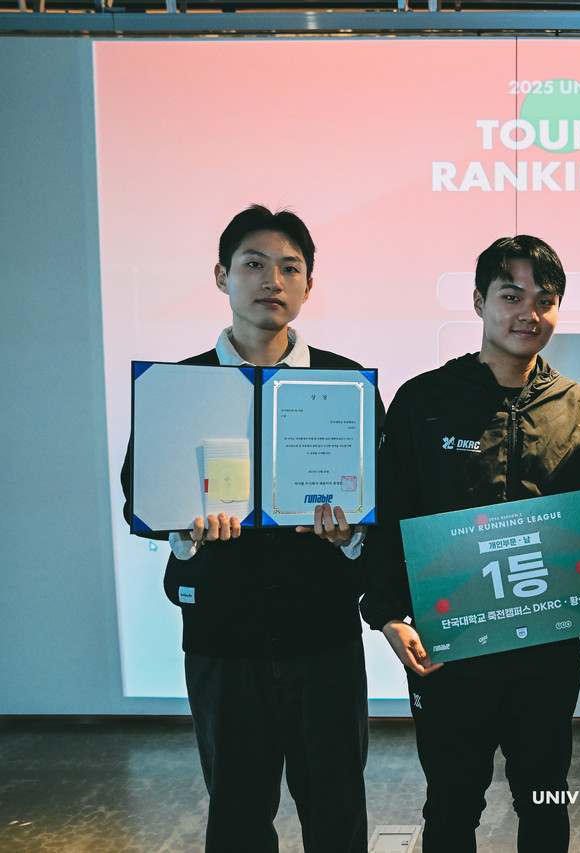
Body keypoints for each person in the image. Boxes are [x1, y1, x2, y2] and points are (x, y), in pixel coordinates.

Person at [120, 204, 377, 853]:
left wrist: (350, 535)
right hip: (223, 637)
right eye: (254, 264)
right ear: (222, 276)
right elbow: (138, 498)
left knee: (337, 809)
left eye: (290, 267)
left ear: (308, 284)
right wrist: (185, 530)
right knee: (236, 812)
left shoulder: (344, 382)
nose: (272, 280)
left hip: (323, 636)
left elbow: (381, 503)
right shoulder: (177, 386)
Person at [361, 235, 580, 853]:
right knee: (452, 807)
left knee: (545, 802)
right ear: (479, 302)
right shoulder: (424, 400)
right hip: (448, 649)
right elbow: (389, 514)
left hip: (546, 651)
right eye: (511, 296)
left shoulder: (577, 407)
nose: (529, 313)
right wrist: (388, 615)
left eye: (544, 299)